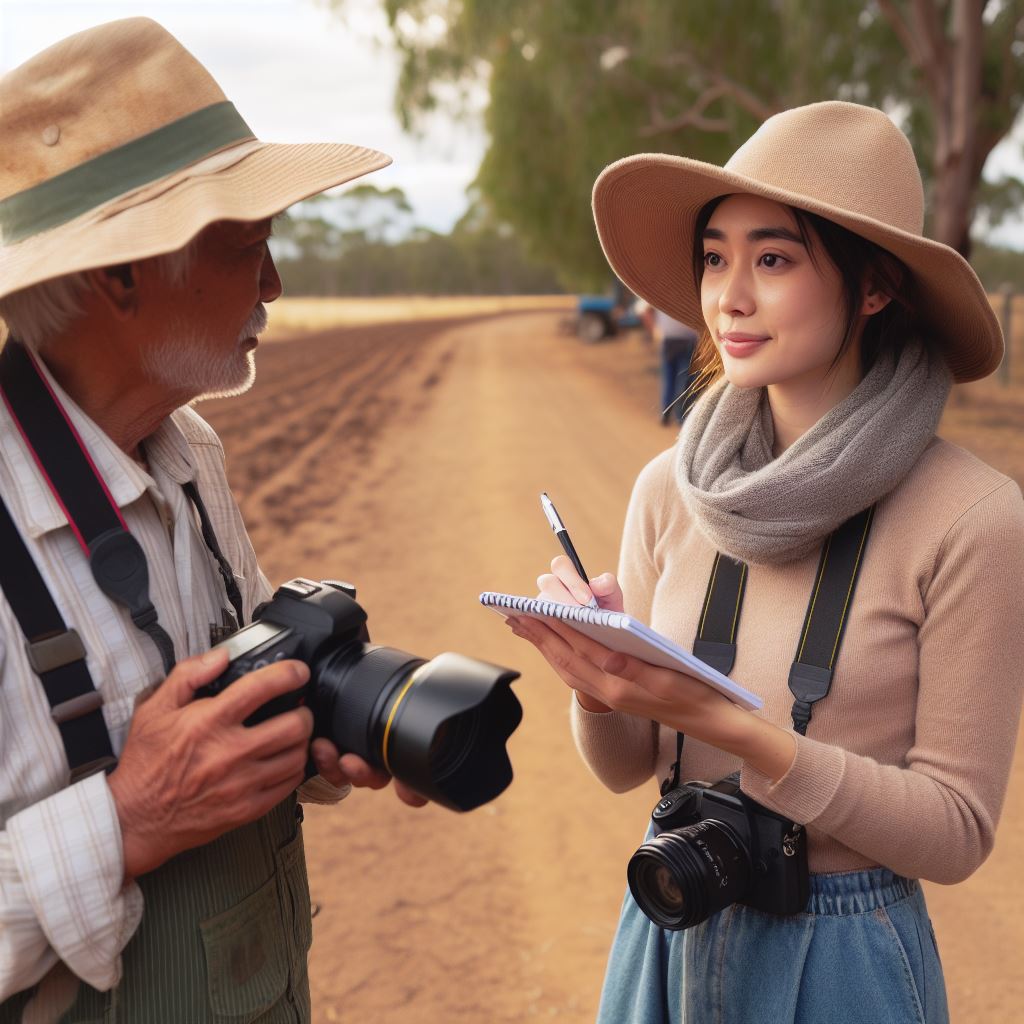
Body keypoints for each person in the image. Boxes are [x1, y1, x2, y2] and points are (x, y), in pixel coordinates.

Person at [504, 100, 1024, 1023]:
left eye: (773, 260)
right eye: (715, 258)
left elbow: (955, 831)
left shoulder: (972, 518)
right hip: (668, 924)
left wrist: (746, 736)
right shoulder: (671, 488)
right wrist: (598, 685)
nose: (726, 298)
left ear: (875, 289)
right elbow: (629, 768)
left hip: (847, 957)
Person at [0, 18, 426, 1022]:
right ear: (121, 276)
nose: (274, 285)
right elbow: (148, 798)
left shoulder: (190, 451)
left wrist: (298, 730)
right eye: (246, 246)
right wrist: (130, 818)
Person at [652, 309, 699, 425]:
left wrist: (654, 329)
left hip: (673, 340)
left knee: (671, 379)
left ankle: (667, 414)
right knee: (682, 380)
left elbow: (643, 311)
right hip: (684, 340)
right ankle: (679, 416)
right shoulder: (689, 296)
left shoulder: (660, 297)